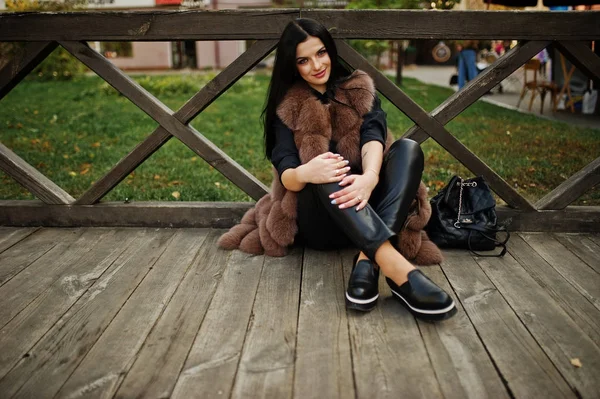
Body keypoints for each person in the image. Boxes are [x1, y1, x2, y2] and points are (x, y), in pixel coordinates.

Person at [219, 18, 456, 321]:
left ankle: (365, 262)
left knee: (408, 150)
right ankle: (398, 271)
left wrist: (370, 178)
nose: (316, 65)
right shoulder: (288, 106)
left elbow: (374, 137)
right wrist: (307, 173)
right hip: (320, 223)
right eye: (303, 60)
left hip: (369, 211)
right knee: (324, 167)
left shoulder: (357, 90)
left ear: (330, 50)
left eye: (320, 53)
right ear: (293, 66)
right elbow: (287, 171)